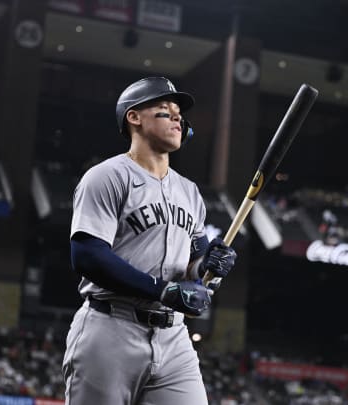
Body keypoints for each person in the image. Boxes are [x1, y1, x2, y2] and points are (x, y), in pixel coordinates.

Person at [62, 77, 237, 405]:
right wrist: (163, 290)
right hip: (111, 327)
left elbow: (192, 264)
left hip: (174, 337)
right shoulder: (107, 176)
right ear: (134, 117)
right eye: (165, 111)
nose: (177, 118)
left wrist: (209, 262)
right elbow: (87, 255)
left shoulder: (189, 191)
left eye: (179, 116)